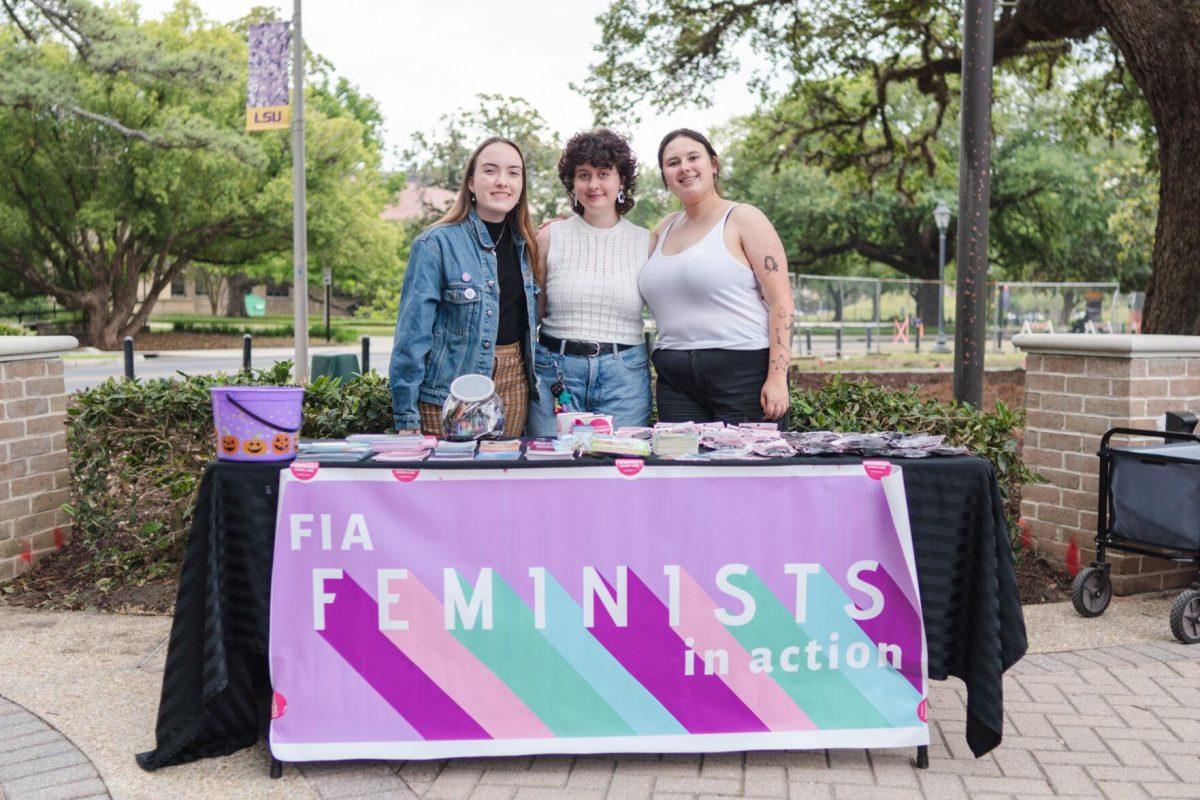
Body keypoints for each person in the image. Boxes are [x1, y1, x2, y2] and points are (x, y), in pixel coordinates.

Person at [639, 128, 794, 426]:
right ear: (665, 177)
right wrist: (569, 225)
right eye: (673, 163)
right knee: (684, 469)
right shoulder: (665, 227)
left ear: (713, 164)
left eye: (692, 157)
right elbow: (617, 247)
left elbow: (781, 301)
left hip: (742, 372)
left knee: (747, 469)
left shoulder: (743, 218)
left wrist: (777, 376)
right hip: (676, 378)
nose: (683, 167)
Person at [388, 137, 540, 438]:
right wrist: (406, 416)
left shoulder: (527, 245)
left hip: (512, 386)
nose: (502, 181)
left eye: (513, 172)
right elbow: (411, 336)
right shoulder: (435, 244)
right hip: (448, 392)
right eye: (490, 171)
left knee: (502, 482)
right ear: (471, 182)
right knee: (446, 482)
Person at [527, 129, 653, 437]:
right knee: (551, 468)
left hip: (624, 376)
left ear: (621, 180)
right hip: (555, 372)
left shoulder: (647, 242)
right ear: (572, 183)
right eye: (583, 175)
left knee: (621, 472)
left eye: (603, 174)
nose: (593, 184)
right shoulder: (548, 237)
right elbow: (534, 314)